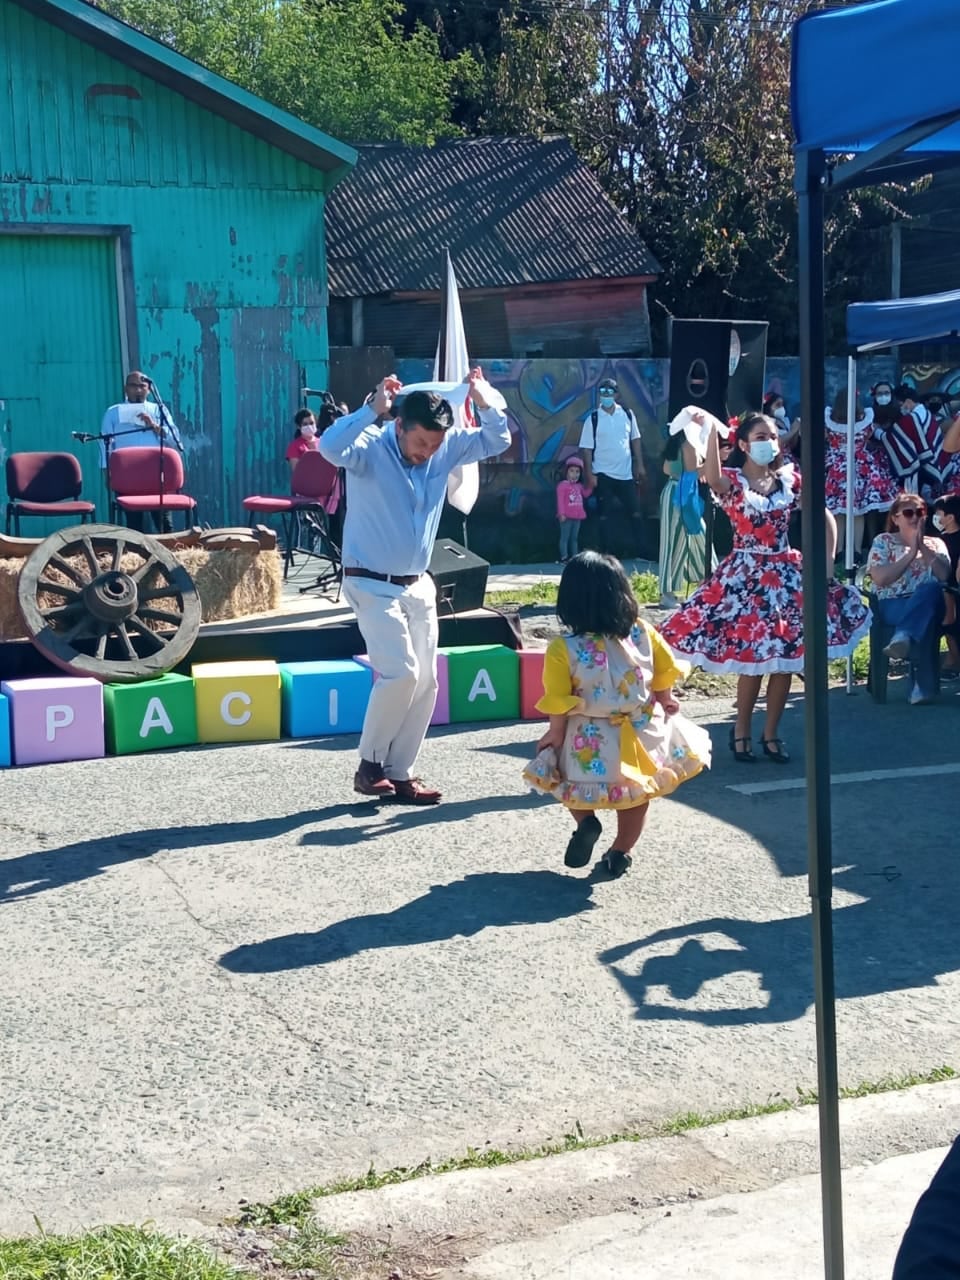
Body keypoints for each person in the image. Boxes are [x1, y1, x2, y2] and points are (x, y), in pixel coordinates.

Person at [319, 369, 510, 803]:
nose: (428, 453)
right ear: (399, 425)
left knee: (426, 681)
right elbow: (329, 447)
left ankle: (399, 772)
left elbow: (499, 440)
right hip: (370, 581)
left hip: (419, 583)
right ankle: (369, 765)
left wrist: (482, 399)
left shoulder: (445, 449)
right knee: (400, 672)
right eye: (421, 442)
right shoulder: (368, 447)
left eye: (436, 445)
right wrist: (372, 409)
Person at [659, 412, 870, 763]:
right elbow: (711, 476)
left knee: (784, 661)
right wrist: (711, 430)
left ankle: (771, 733)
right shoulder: (734, 481)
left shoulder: (790, 480)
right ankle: (741, 730)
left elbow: (823, 513)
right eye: (759, 436)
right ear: (742, 444)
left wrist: (829, 559)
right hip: (745, 575)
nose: (768, 443)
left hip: (785, 574)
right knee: (751, 661)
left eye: (772, 436)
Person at [522, 552, 711, 877]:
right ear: (622, 593)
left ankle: (587, 822)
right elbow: (664, 669)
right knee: (636, 797)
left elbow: (558, 698)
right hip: (639, 730)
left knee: (570, 785)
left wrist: (555, 734)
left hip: (589, 734)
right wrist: (666, 698)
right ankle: (621, 851)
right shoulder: (642, 633)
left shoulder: (562, 649)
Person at [866, 492, 951, 705]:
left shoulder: (936, 543)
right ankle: (920, 688)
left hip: (930, 603)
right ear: (895, 518)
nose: (915, 517)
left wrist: (922, 547)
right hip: (893, 603)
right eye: (908, 512)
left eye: (920, 512)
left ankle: (903, 637)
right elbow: (881, 579)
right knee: (926, 617)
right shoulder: (883, 541)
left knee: (930, 590)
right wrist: (911, 553)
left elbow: (945, 576)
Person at [100, 370, 182, 533]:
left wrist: (154, 425)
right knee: (134, 525)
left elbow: (174, 439)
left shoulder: (159, 410)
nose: (138, 390)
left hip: (155, 475)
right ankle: (134, 555)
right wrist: (107, 474)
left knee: (164, 523)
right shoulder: (114, 412)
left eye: (142, 386)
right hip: (128, 475)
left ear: (149, 389)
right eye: (133, 386)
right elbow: (105, 446)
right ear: (126, 389)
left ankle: (169, 553)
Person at [824, 389, 898, 563]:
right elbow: (872, 435)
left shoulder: (829, 421)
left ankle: (838, 549)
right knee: (858, 511)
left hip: (837, 466)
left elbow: (825, 438)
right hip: (860, 465)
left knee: (838, 512)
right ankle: (856, 550)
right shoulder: (865, 421)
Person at [578, 376, 646, 552]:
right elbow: (586, 449)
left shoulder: (627, 415)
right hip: (602, 474)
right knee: (604, 516)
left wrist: (639, 465)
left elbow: (635, 439)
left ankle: (642, 550)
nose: (605, 395)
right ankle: (607, 552)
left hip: (625, 474)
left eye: (609, 392)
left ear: (616, 395)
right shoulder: (593, 419)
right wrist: (589, 475)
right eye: (602, 392)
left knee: (635, 512)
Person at [657, 431, 711, 609]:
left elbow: (667, 469)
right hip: (680, 494)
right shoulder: (689, 444)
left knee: (679, 540)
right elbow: (691, 473)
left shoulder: (677, 442)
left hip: (675, 491)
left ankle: (675, 589)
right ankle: (668, 592)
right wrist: (713, 463)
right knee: (682, 539)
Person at [932, 492, 960, 674]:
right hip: (944, 589)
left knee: (950, 624)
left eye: (939, 514)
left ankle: (954, 661)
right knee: (947, 624)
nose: (936, 517)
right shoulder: (938, 539)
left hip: (953, 589)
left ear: (950, 518)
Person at [555, 456, 592, 563]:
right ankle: (564, 557)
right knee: (564, 537)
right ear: (566, 472)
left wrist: (591, 486)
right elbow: (560, 500)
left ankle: (575, 557)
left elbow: (585, 494)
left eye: (577, 472)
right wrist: (561, 513)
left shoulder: (579, 486)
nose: (575, 474)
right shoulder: (562, 485)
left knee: (574, 538)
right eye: (572, 471)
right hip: (566, 516)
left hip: (578, 516)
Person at [286, 409, 319, 481]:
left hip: (325, 486)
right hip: (305, 487)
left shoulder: (322, 442)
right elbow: (297, 471)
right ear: (298, 426)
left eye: (311, 423)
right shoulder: (294, 446)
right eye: (305, 424)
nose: (309, 426)